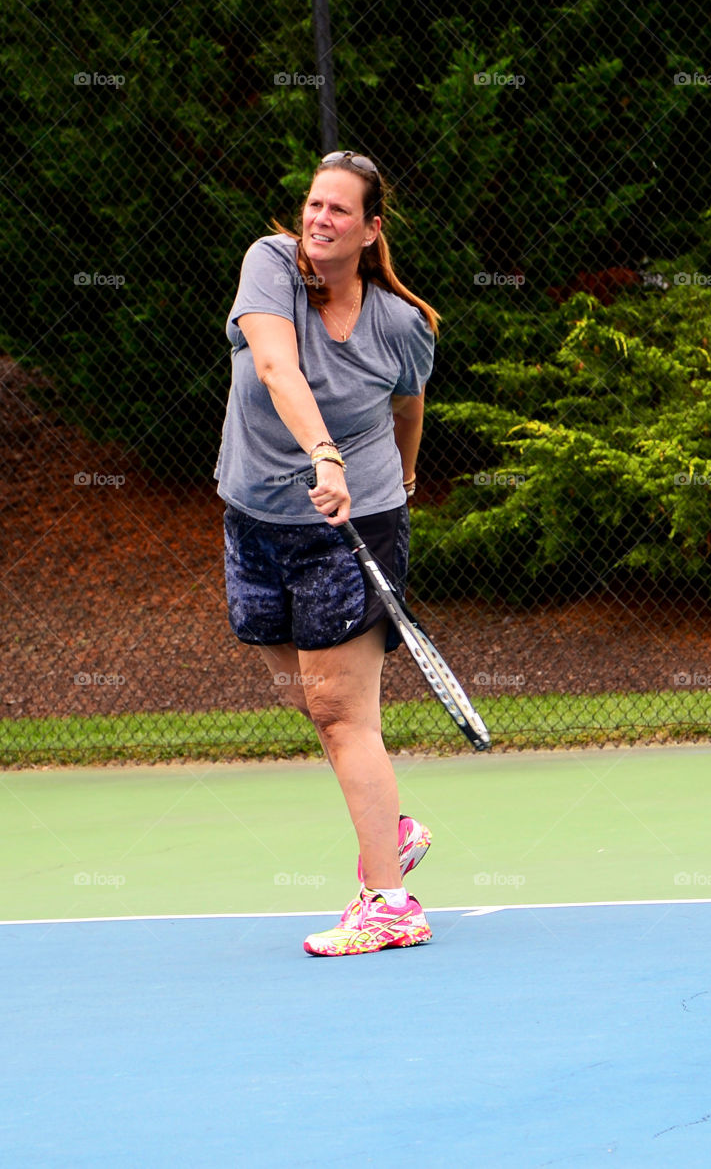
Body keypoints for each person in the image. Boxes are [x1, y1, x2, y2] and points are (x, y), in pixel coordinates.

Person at [215, 150, 440, 956]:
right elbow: (275, 366)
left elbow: (409, 406)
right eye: (314, 204)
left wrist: (398, 475)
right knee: (310, 698)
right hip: (255, 514)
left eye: (340, 211)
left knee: (344, 712)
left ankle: (389, 903)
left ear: (371, 230)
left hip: (354, 526)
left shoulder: (401, 324)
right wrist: (323, 452)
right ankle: (393, 827)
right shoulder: (269, 264)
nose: (319, 220)